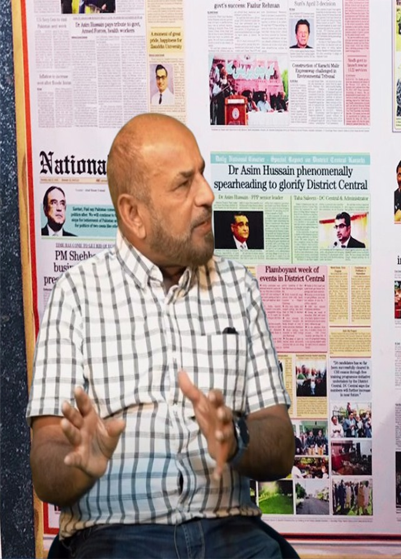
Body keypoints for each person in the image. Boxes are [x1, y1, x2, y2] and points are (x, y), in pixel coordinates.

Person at [28, 114, 297, 558]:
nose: (208, 196)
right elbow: (46, 466)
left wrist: (238, 439)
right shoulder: (76, 294)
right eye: (183, 184)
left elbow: (281, 444)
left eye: (203, 175)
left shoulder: (238, 287)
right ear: (133, 214)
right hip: (114, 536)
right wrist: (81, 463)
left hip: (230, 533)